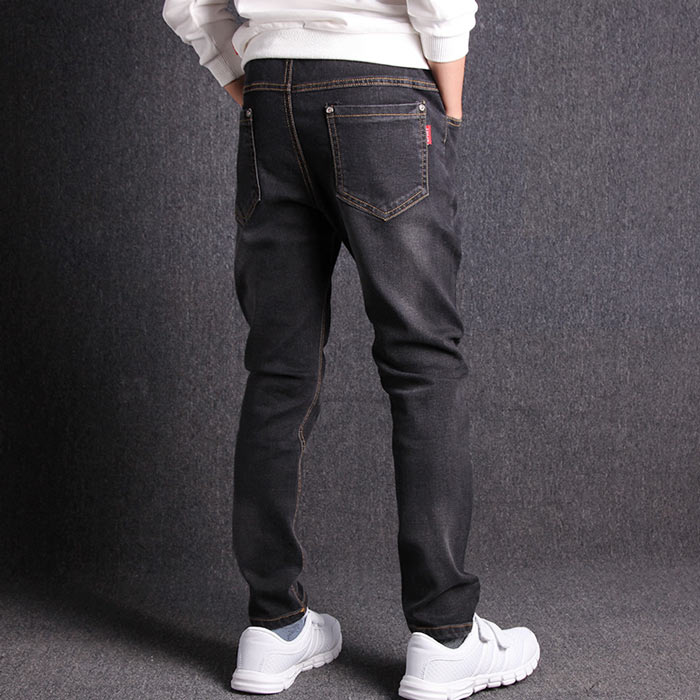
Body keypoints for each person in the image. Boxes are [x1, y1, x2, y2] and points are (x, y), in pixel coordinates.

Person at [162, 2, 540, 698]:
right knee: (423, 364)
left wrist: (261, 83)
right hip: (384, 85)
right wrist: (450, 105)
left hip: (271, 94)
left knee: (278, 370)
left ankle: (273, 627)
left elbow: (188, 4)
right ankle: (445, 636)